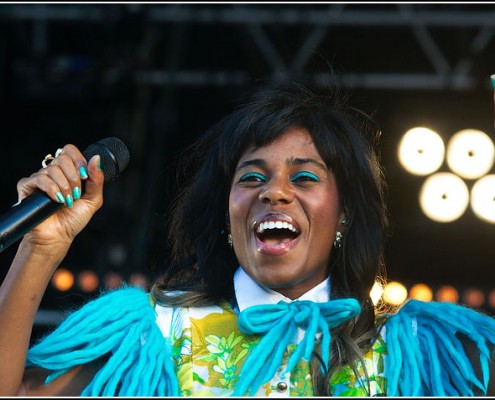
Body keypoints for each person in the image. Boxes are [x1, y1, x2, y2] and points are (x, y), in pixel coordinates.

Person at [1, 79, 495, 397]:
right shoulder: (154, 333)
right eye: (252, 178)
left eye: (305, 178)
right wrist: (40, 249)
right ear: (226, 215)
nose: (274, 193)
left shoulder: (419, 349)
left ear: (344, 215)